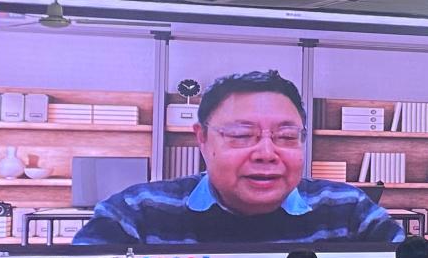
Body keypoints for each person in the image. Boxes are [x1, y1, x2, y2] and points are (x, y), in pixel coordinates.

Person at [74, 70, 405, 246]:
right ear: (202, 139)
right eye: (242, 135)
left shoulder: (349, 211)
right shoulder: (136, 214)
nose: (266, 154)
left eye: (286, 137)